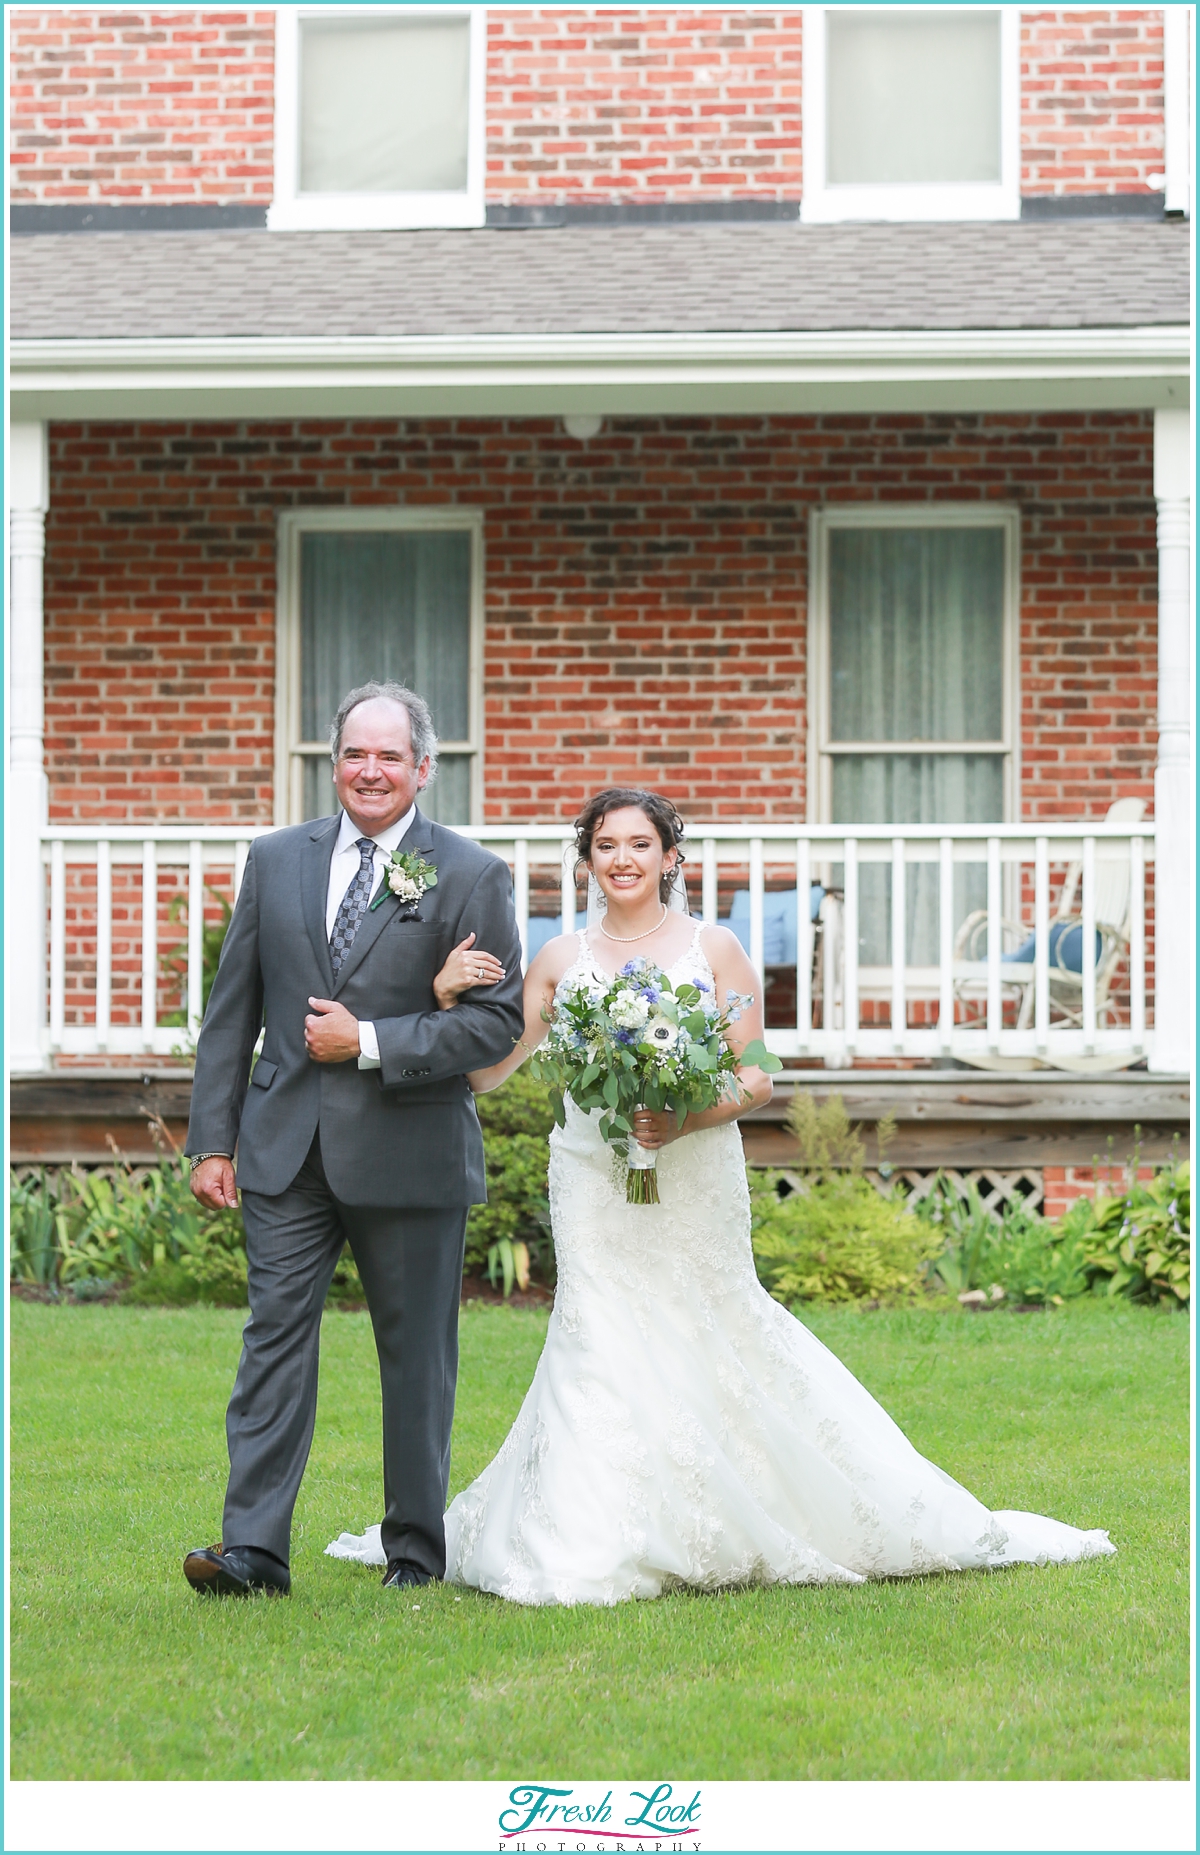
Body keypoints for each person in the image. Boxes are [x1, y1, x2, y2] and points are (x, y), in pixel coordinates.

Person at [327, 787, 1114, 1605]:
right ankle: (590, 1532)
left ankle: (741, 1508)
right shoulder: (559, 960)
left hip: (693, 1172)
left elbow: (758, 1073)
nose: (623, 859)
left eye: (640, 843)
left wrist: (683, 1115)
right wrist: (445, 999)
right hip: (593, 1176)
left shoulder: (717, 949)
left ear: (672, 858)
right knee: (595, 1334)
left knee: (710, 1325)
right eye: (605, 845)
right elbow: (489, 1072)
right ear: (588, 860)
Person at [183, 681, 524, 1598]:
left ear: (422, 767)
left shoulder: (469, 873)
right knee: (271, 1345)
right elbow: (232, 1012)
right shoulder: (275, 859)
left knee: (416, 1360)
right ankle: (252, 1548)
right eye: (353, 753)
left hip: (410, 1152)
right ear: (333, 762)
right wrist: (211, 1139)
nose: (369, 770)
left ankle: (413, 1549)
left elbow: (495, 1026)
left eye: (389, 755)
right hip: (285, 1146)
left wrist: (371, 1040)